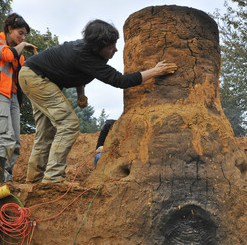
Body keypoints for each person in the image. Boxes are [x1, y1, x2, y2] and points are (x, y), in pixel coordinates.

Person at [19, 19, 176, 184]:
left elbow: (77, 73)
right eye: (110, 47)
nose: (115, 49)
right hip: (37, 78)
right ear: (97, 48)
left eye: (115, 45)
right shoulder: (85, 56)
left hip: (31, 76)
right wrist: (155, 71)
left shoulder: (89, 53)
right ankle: (53, 178)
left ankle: (34, 179)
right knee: (69, 124)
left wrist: (81, 94)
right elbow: (120, 81)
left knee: (46, 131)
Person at [0, 13, 37, 183]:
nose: (23, 38)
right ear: (9, 29)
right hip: (1, 95)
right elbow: (7, 56)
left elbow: (24, 77)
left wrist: (35, 56)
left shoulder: (19, 55)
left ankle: (6, 178)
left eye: (24, 35)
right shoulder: (1, 42)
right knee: (4, 137)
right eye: (20, 33)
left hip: (14, 98)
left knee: (15, 142)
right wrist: (22, 44)